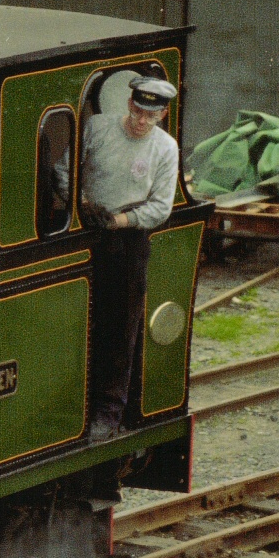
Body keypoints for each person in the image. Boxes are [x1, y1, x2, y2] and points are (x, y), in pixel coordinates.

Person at [68, 76, 180, 440]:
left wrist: (118, 221)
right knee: (82, 319)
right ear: (129, 103)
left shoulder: (165, 149)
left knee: (120, 327)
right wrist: (82, 204)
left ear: (162, 114)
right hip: (85, 230)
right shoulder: (97, 128)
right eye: (137, 111)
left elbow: (161, 207)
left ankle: (108, 412)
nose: (141, 121)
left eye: (151, 115)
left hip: (127, 241)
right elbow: (63, 170)